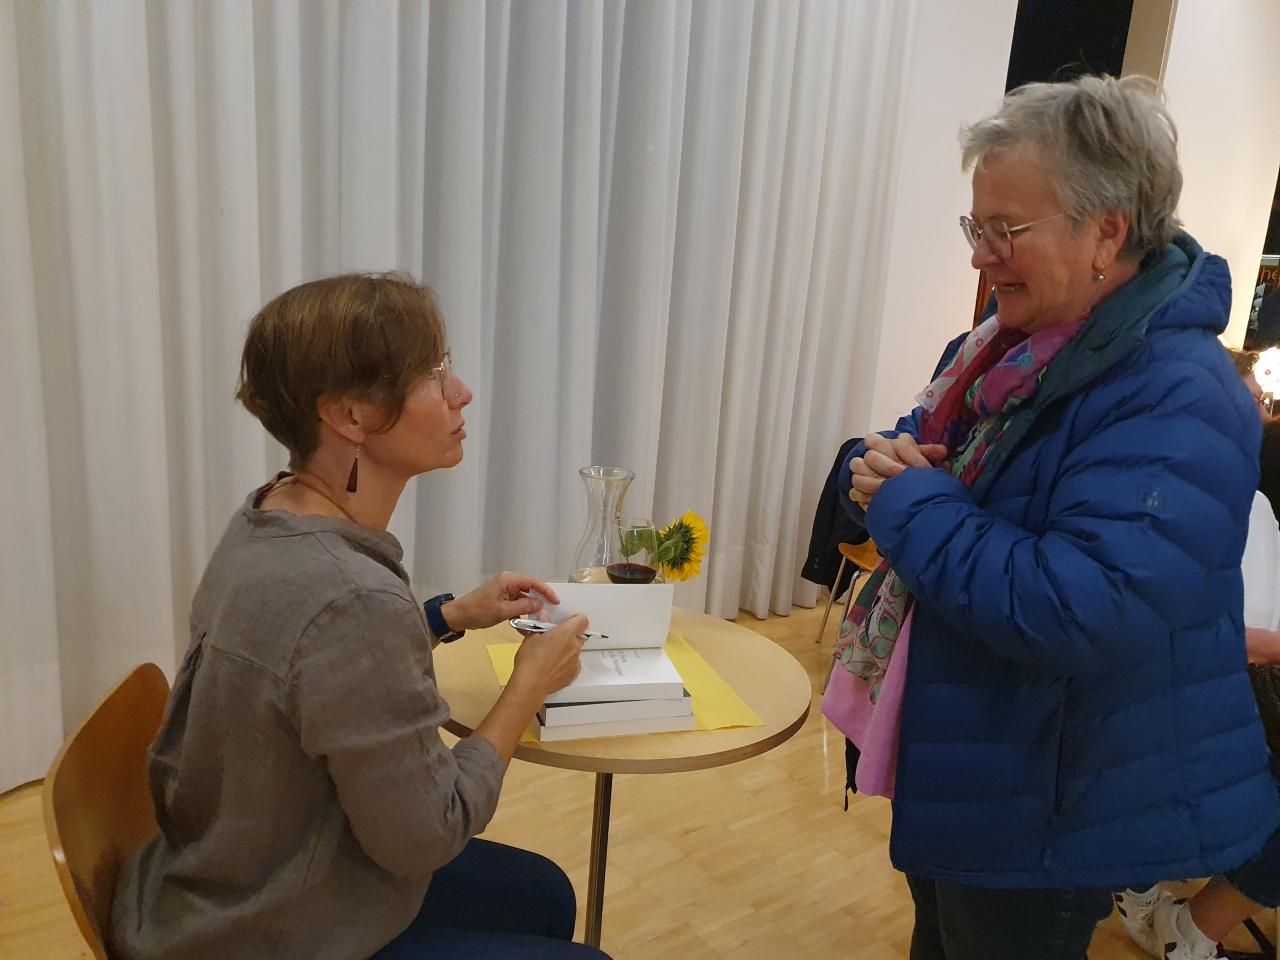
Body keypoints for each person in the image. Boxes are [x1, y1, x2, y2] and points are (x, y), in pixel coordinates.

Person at [834, 74, 1277, 960]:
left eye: (1006, 230)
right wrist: (883, 462)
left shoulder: (1177, 397)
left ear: (1108, 230)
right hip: (987, 755)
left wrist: (910, 499)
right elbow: (929, 445)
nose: (979, 255)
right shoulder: (1010, 349)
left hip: (1058, 797)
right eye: (977, 226)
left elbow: (1077, 605)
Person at [110, 274, 609, 960]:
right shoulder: (350, 596)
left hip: (224, 874)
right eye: (435, 375)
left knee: (545, 895)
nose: (461, 392)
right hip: (265, 928)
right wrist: (525, 688)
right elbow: (429, 833)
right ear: (348, 416)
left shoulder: (269, 514)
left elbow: (314, 669)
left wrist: (448, 615)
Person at [1116, 350, 1280, 960]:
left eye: (1259, 406)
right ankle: (1167, 915)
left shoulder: (1251, 500)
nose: (1259, 417)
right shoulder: (1161, 500)